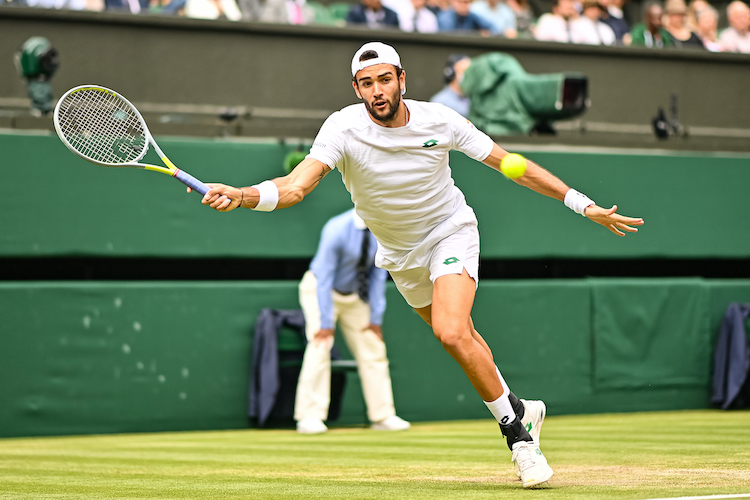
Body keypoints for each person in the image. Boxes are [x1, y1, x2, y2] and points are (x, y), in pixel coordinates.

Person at [196, 41, 644, 488]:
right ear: (356, 89)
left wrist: (581, 204)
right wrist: (242, 194)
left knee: (450, 329)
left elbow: (510, 164)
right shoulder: (340, 129)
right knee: (463, 339)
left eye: (385, 79)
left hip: (450, 232)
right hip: (399, 257)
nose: (378, 91)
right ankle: (519, 408)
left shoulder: (441, 120)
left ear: (401, 80)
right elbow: (295, 187)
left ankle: (519, 439)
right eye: (367, 83)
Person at [293, 208, 410, 434]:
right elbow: (325, 278)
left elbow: (378, 275)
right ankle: (309, 417)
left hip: (356, 295)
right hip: (319, 289)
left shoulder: (383, 230)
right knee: (320, 345)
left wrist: (375, 318)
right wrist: (326, 323)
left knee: (373, 347)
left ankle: (383, 416)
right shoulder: (336, 228)